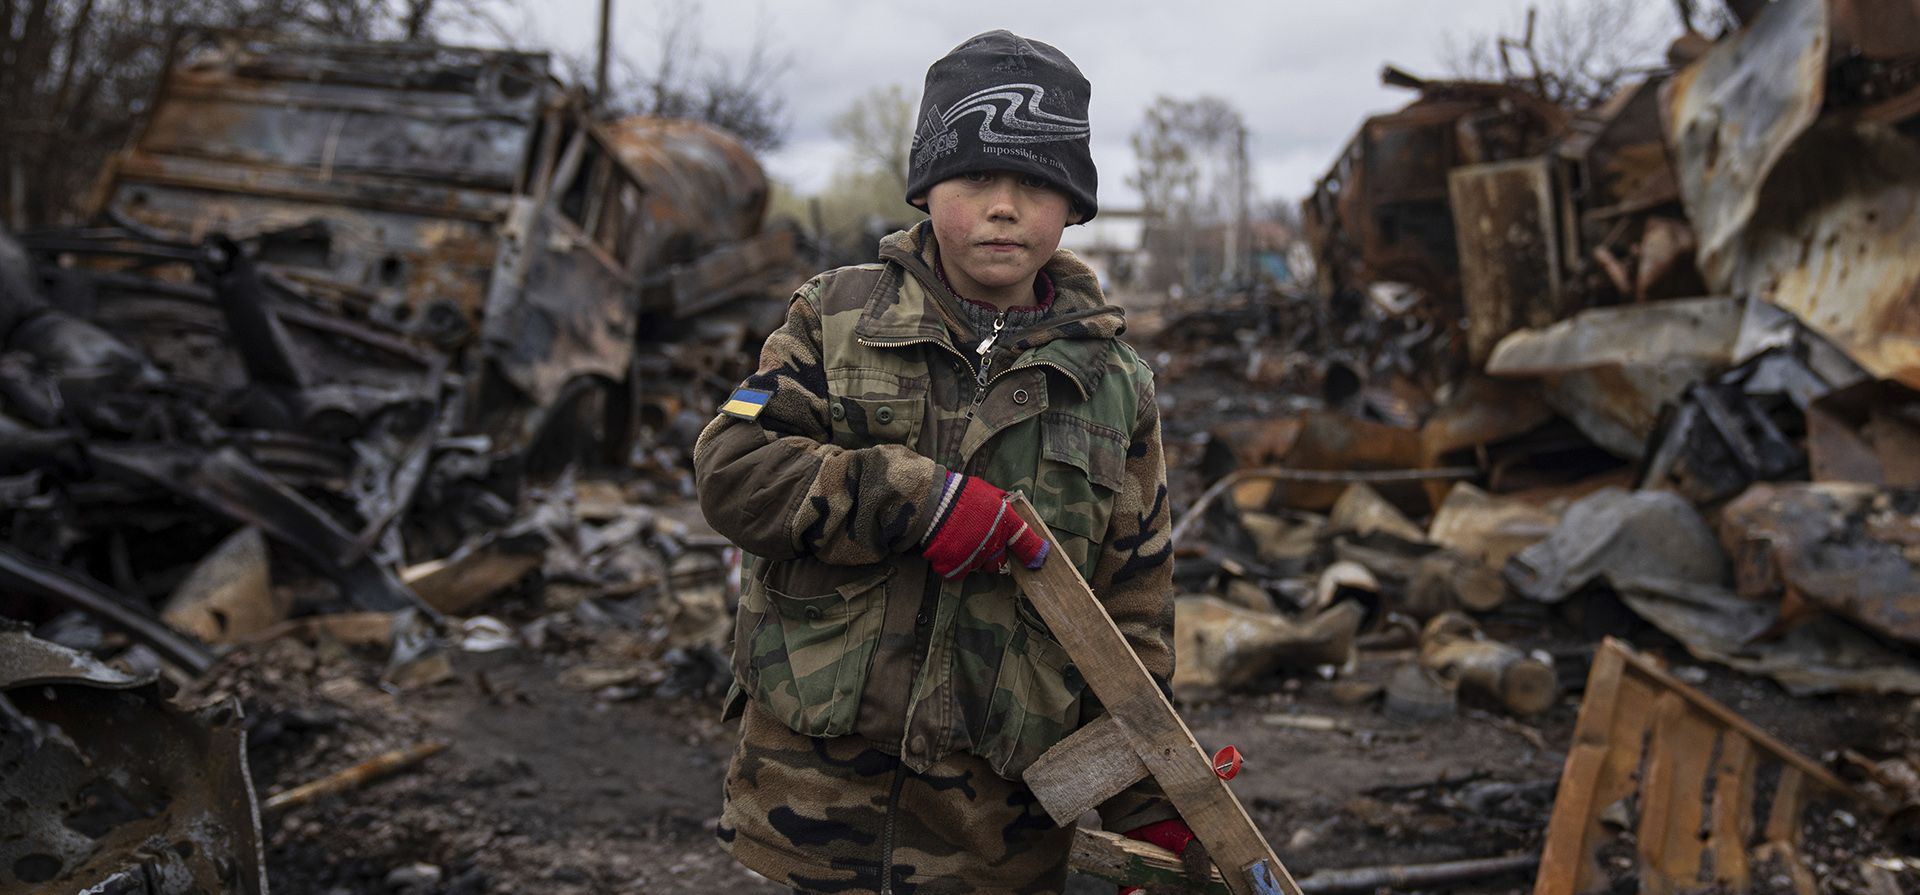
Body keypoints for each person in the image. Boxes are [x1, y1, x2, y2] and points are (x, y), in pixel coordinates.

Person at [693, 30, 1191, 894]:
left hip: (995, 839)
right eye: (976, 180)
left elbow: (1130, 612)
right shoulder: (831, 317)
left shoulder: (1115, 387)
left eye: (1036, 183)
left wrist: (1150, 801)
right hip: (809, 811)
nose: (1004, 207)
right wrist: (910, 499)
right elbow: (732, 469)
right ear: (926, 190)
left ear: (1073, 204)